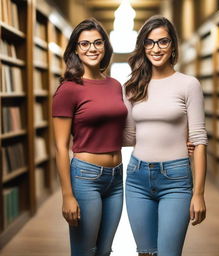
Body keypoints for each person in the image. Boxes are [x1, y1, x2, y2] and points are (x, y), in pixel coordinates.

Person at [123, 15, 208, 256]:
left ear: (172, 47)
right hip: (136, 178)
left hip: (176, 180)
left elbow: (200, 140)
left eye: (162, 42)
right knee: (146, 253)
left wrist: (199, 193)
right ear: (142, 47)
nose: (156, 48)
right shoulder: (132, 86)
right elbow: (129, 137)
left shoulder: (189, 84)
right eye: (149, 43)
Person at [52, 18, 128, 256]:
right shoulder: (68, 89)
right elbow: (61, 147)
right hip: (85, 177)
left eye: (97, 43)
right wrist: (67, 195)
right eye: (84, 44)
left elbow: (121, 130)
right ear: (75, 48)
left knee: (105, 251)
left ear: (105, 46)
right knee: (86, 251)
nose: (92, 49)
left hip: (116, 176)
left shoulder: (115, 85)